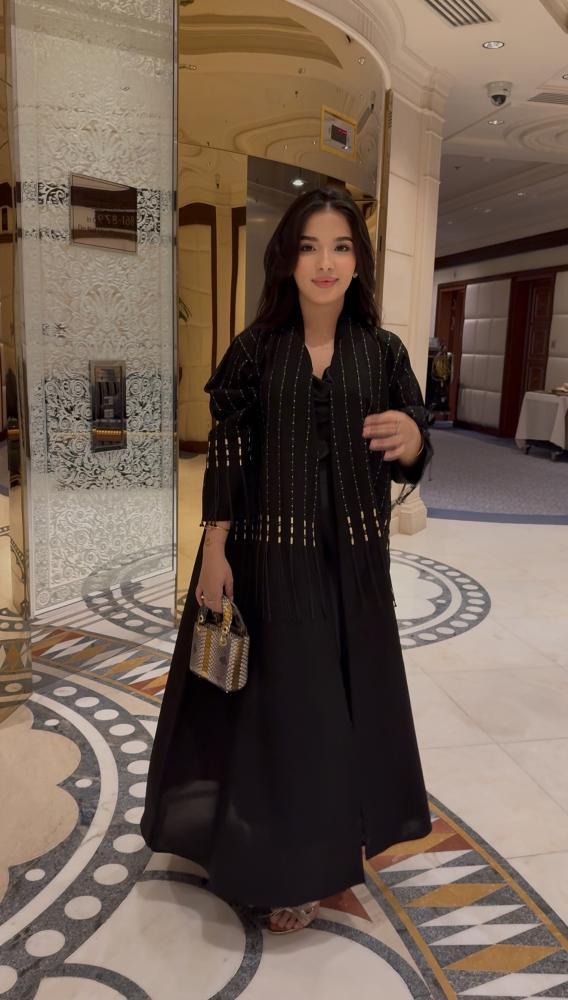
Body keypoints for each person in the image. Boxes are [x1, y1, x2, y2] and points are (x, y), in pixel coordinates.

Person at [141, 186, 433, 934]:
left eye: (340, 247)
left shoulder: (383, 352)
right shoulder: (256, 350)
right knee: (287, 716)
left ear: (358, 262)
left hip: (354, 567)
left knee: (345, 712)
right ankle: (282, 864)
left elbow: (411, 441)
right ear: (287, 260)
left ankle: (333, 851)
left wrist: (414, 440)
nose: (324, 262)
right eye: (309, 247)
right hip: (271, 560)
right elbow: (228, 456)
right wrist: (213, 549)